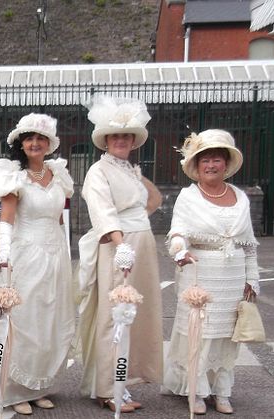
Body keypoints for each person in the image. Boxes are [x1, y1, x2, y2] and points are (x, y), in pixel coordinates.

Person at [0, 113, 75, 415]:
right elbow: (5, 221)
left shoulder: (58, 175)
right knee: (24, 321)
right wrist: (3, 257)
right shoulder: (14, 176)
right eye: (29, 138)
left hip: (55, 254)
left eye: (40, 139)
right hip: (25, 255)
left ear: (48, 144)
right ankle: (14, 388)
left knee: (49, 321)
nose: (35, 143)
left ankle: (38, 387)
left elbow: (59, 220)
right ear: (21, 144)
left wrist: (64, 253)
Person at [162, 129, 259, 415]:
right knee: (199, 334)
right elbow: (177, 233)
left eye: (217, 159)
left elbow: (249, 244)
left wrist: (252, 278)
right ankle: (197, 390)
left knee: (227, 337)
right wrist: (179, 250)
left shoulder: (240, 197)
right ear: (197, 165)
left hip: (232, 279)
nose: (211, 165)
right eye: (205, 160)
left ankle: (222, 391)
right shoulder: (188, 197)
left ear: (226, 164)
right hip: (199, 274)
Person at [77, 95, 163, 413]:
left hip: (141, 243)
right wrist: (120, 241)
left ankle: (123, 380)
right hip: (119, 246)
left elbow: (151, 201)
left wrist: (137, 224)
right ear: (106, 140)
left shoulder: (128, 169)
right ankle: (107, 387)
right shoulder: (99, 172)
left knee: (134, 315)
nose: (121, 140)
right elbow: (101, 209)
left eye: (126, 136)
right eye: (115, 136)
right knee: (114, 315)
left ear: (133, 140)